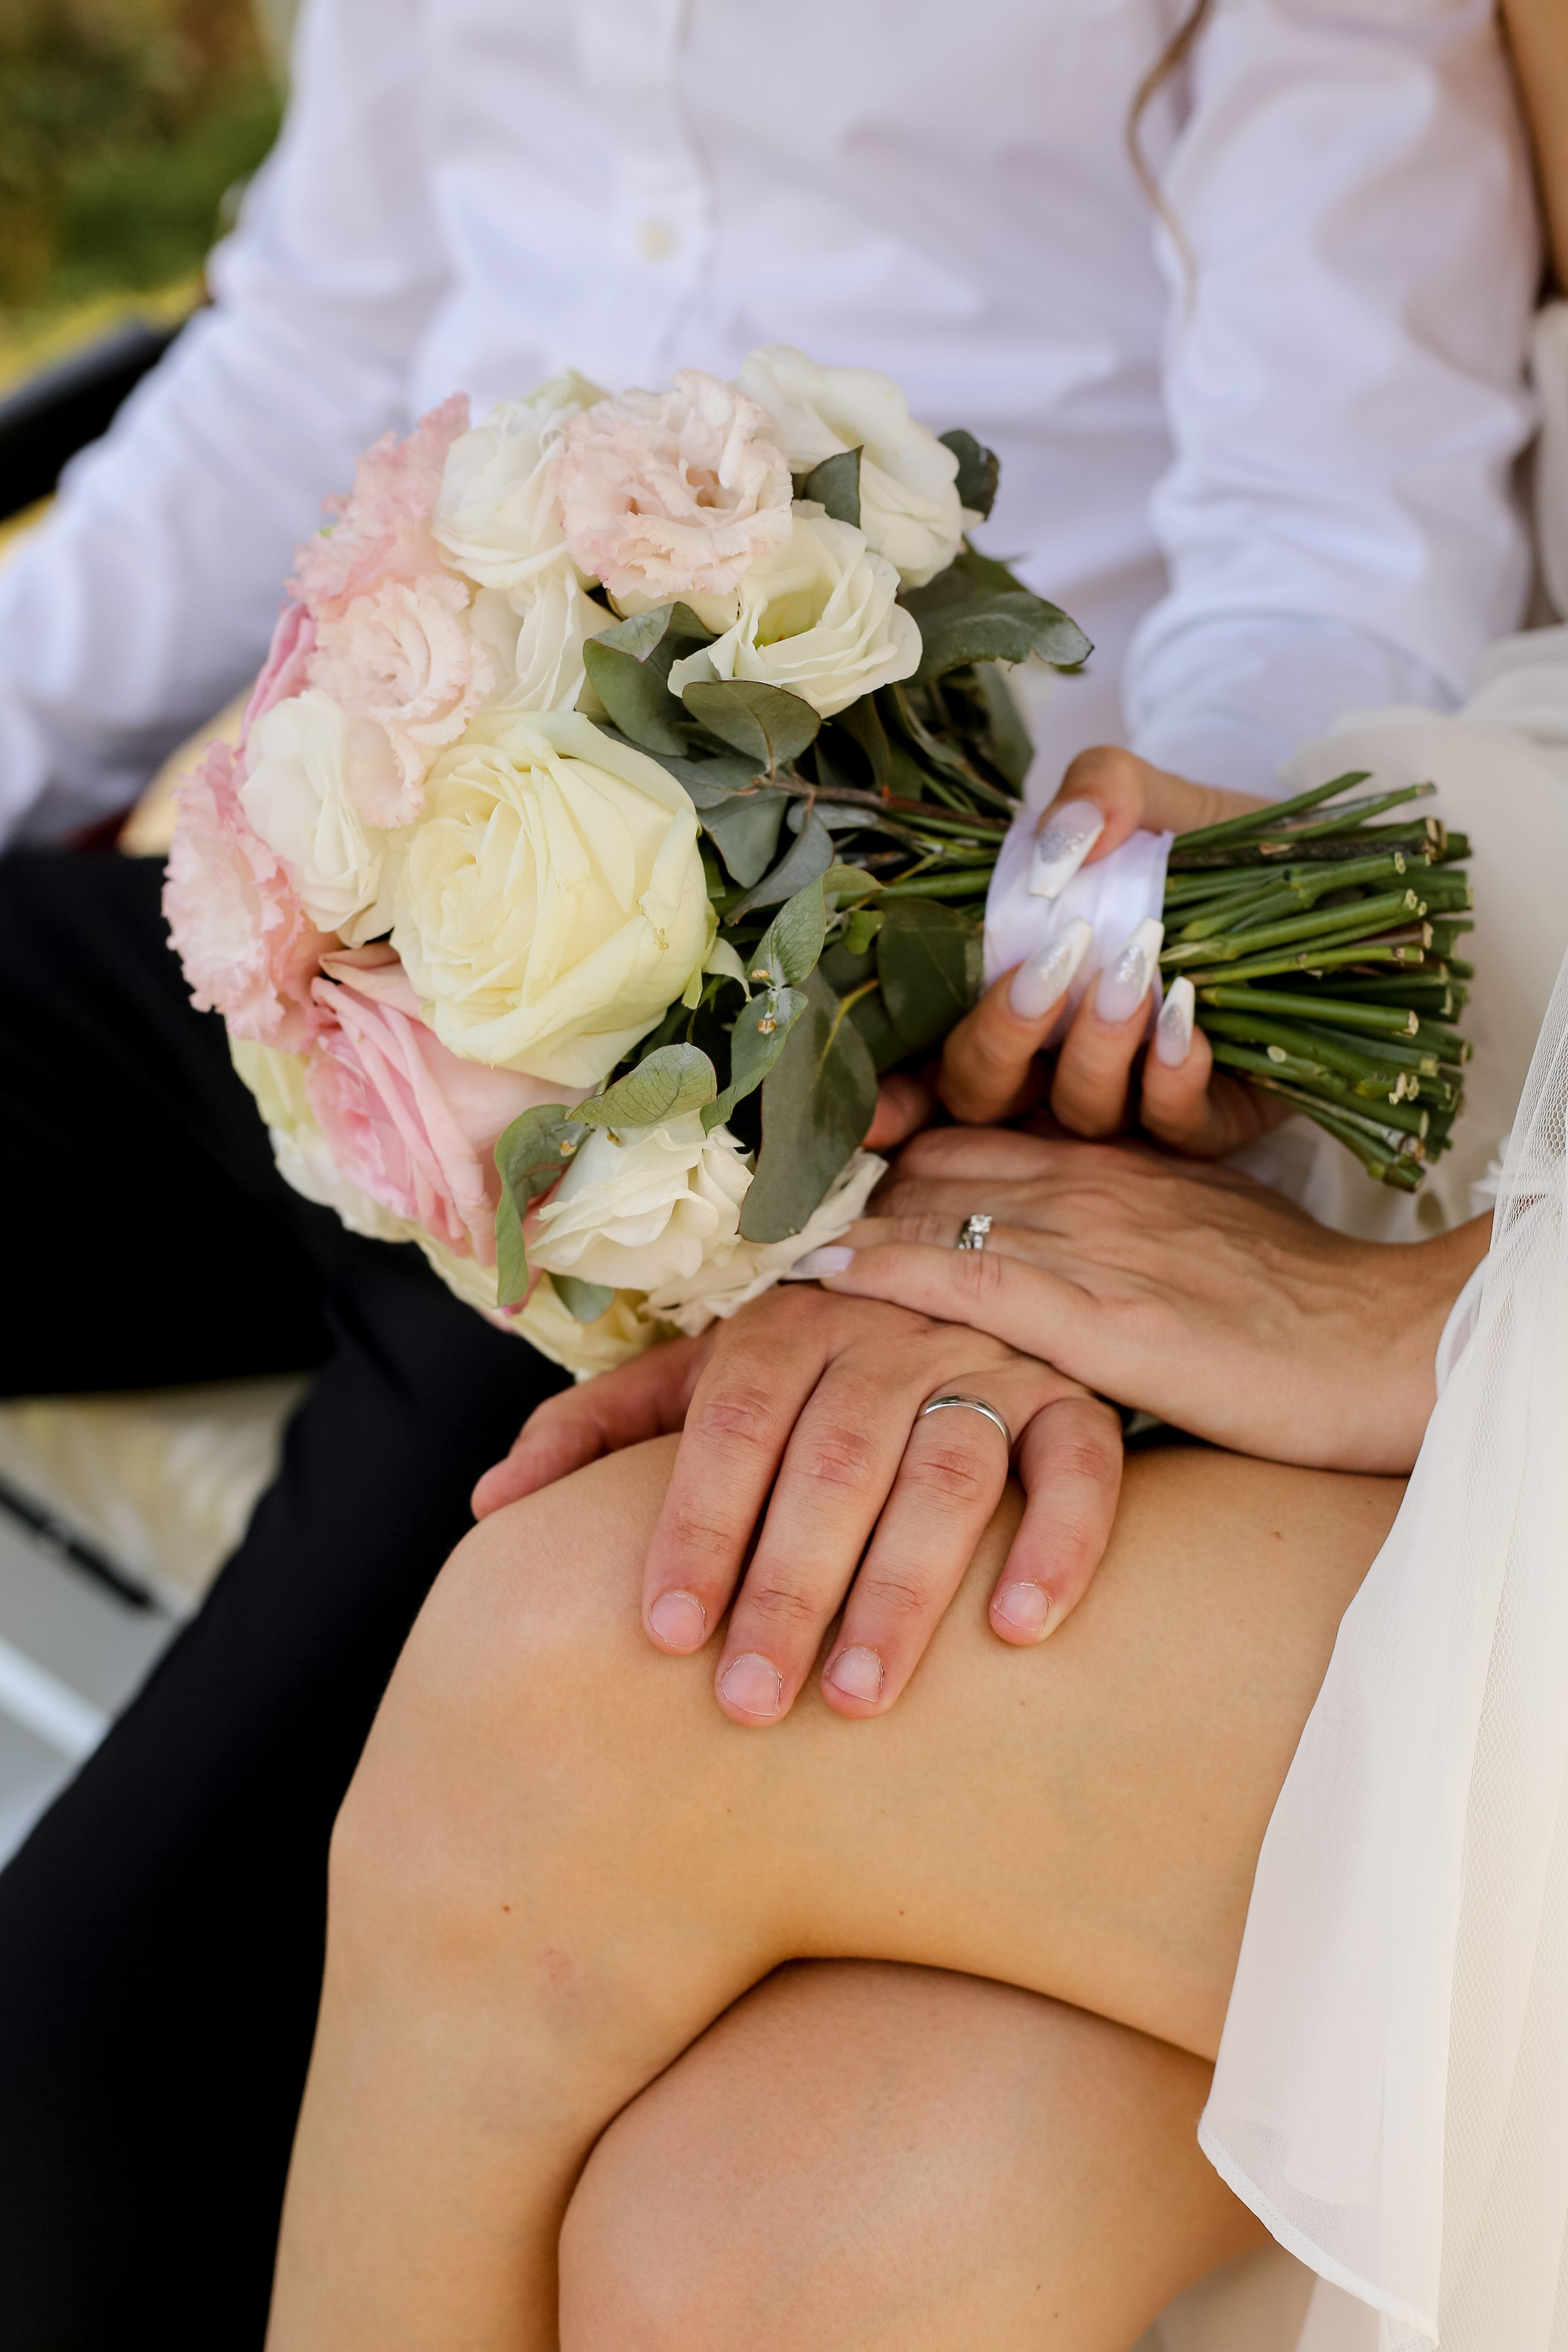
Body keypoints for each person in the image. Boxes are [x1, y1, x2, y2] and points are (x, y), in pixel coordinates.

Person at [0, 0, 1540, 2342]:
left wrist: (1129, 945)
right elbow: (312, 328)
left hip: (814, 1094)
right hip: (340, 955)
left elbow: (1342, 514)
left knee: (69, 2108)